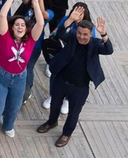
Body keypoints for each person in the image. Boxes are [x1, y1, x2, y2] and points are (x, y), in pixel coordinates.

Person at [0, 0, 45, 152]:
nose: (20, 26)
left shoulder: (31, 40)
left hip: (19, 77)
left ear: (26, 29)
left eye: (23, 25)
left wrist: (35, 2)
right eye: (17, 24)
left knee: (15, 105)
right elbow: (3, 16)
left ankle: (8, 125)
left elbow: (40, 24)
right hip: (0, 76)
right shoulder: (5, 37)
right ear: (12, 28)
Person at [39, 8, 111, 147]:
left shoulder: (95, 44)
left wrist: (104, 34)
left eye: (85, 34)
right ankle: (51, 122)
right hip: (62, 80)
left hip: (80, 86)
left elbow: (109, 50)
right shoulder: (72, 37)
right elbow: (60, 33)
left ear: (91, 34)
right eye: (79, 33)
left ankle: (66, 133)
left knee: (74, 112)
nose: (81, 37)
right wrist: (70, 20)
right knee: (55, 104)